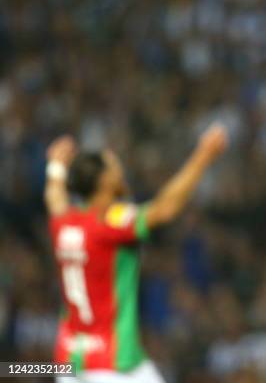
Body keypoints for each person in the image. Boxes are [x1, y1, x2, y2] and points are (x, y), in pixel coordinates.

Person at [45, 125, 227, 383]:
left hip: (69, 364)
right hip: (113, 365)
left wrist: (55, 166)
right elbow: (164, 209)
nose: (120, 170)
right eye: (114, 166)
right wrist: (204, 155)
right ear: (104, 181)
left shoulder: (64, 223)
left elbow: (54, 196)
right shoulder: (110, 225)